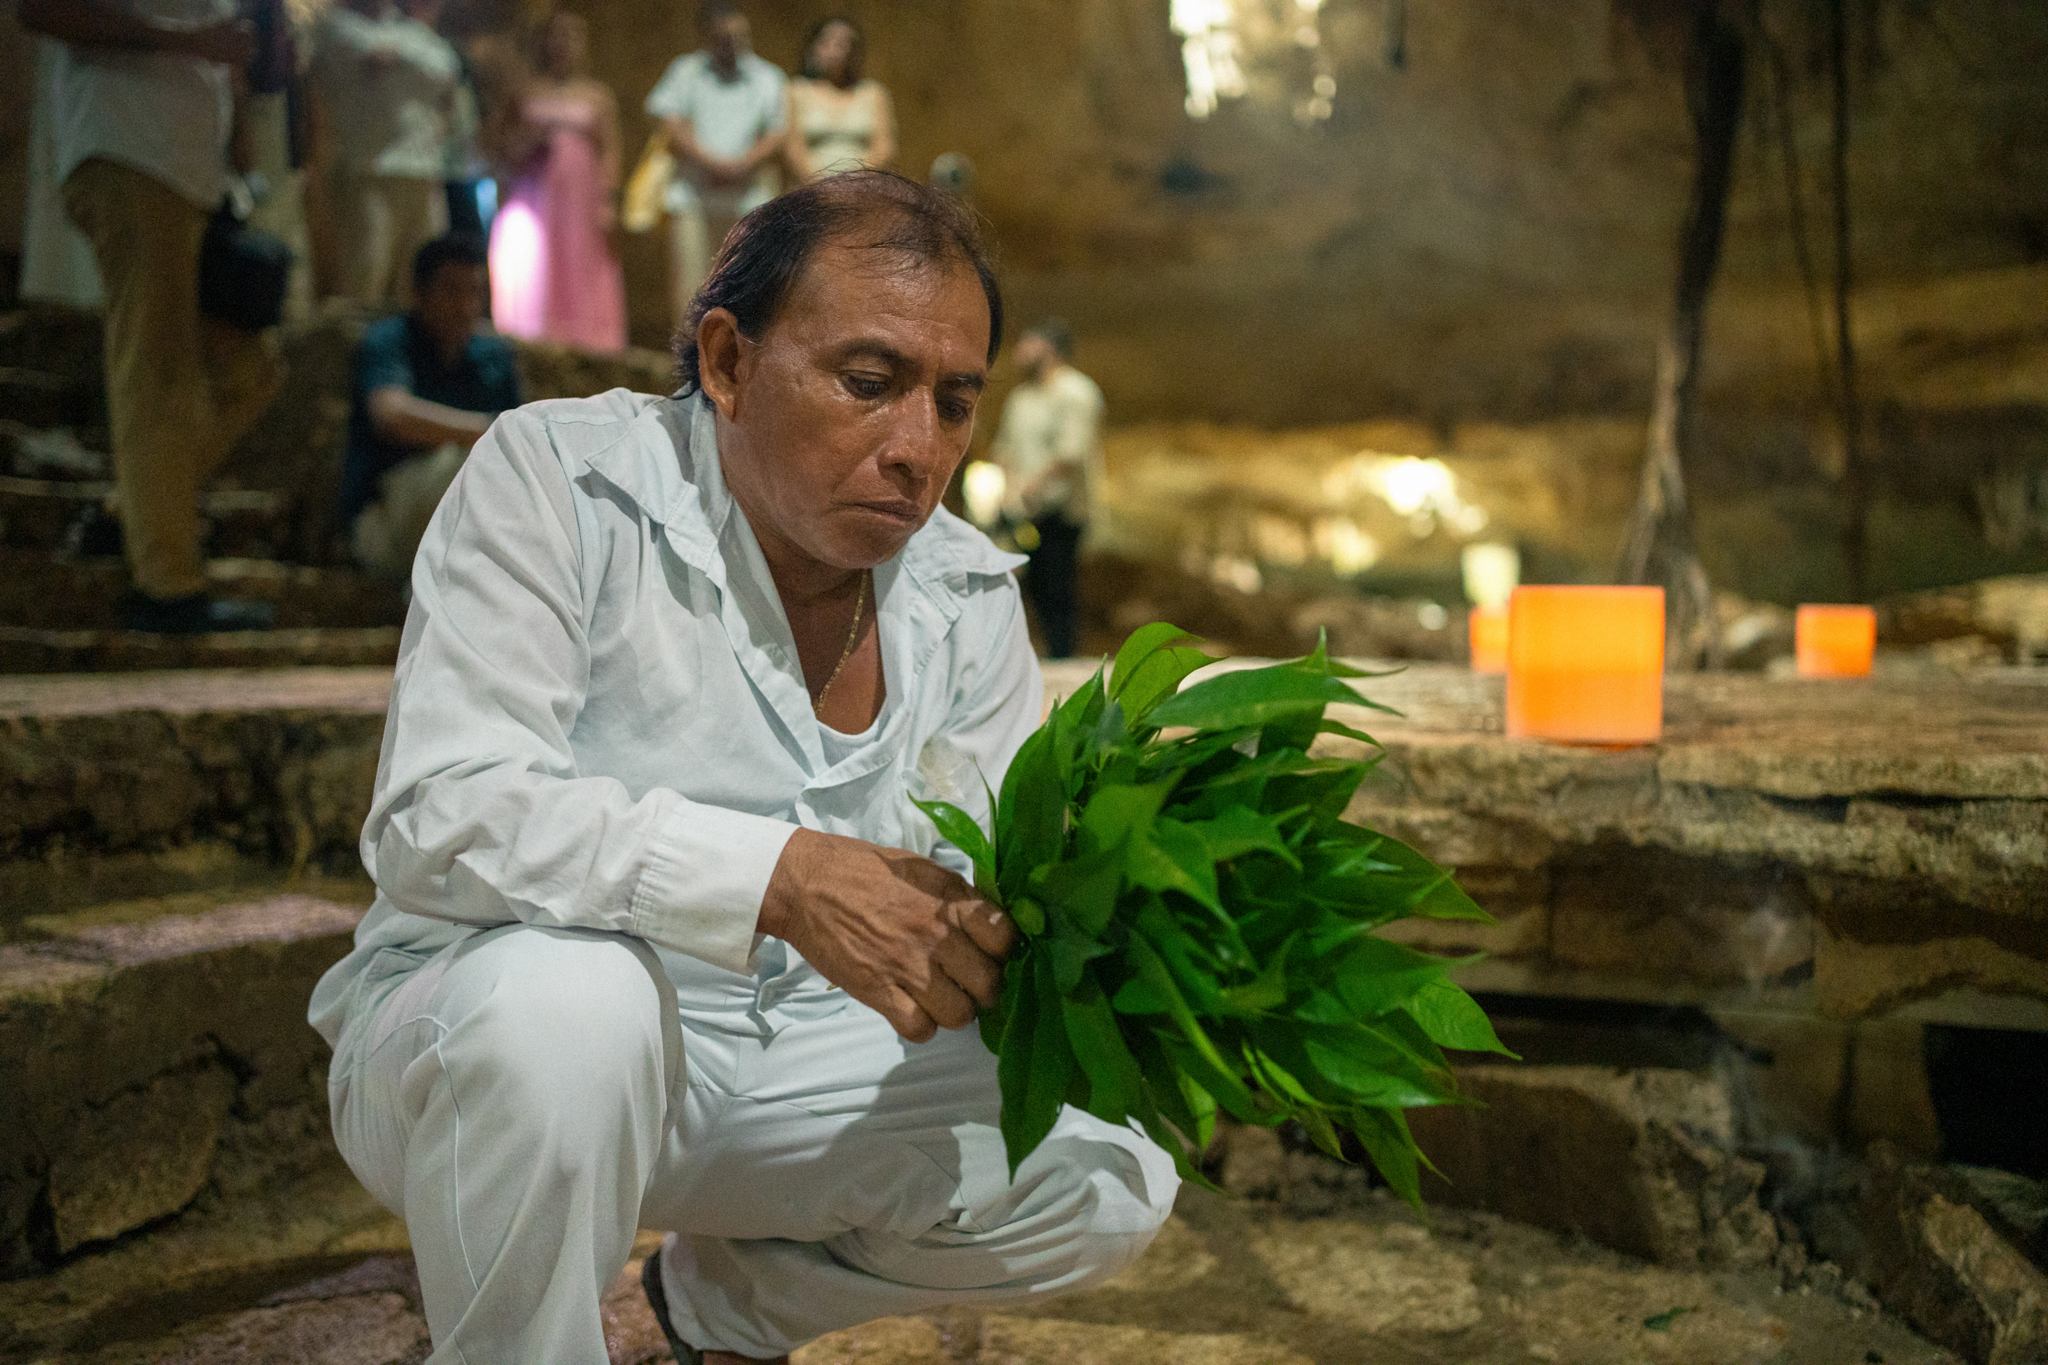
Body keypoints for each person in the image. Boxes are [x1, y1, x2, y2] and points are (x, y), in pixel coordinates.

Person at [308, 171, 1177, 1364]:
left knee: (1103, 1162)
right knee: (574, 1008)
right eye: (869, 385)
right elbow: (439, 815)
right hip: (491, 1045)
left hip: (788, 1067)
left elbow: (968, 899)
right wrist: (779, 877)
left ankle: (710, 1311)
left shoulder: (966, 597)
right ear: (726, 361)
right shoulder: (564, 482)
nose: (917, 450)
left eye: (955, 403)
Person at [23, 0, 286, 633]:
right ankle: (168, 590)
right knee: (159, 379)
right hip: (130, 153)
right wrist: (189, 38)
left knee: (255, 369)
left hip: (194, 174)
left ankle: (131, 514)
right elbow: (41, 11)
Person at [338, 233, 520, 579]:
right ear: (419, 294)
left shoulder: (492, 357)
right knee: (468, 470)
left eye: (474, 292)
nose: (465, 306)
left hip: (460, 524)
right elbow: (391, 414)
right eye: (452, 291)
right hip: (386, 520)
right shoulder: (390, 342)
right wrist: (489, 430)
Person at [485, 11, 627, 352]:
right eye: (557, 36)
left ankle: (588, 339)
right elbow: (499, 144)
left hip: (581, 197)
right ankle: (532, 334)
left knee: (580, 260)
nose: (563, 44)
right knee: (535, 262)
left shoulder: (597, 95)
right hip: (534, 195)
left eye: (571, 37)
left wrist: (608, 201)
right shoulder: (525, 91)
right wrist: (528, 141)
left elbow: (610, 150)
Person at [305, 0, 461, 307]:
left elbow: (447, 66)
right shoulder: (335, 26)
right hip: (368, 172)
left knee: (421, 287)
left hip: (424, 172)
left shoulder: (410, 31)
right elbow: (360, 51)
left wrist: (399, 56)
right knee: (363, 285)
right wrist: (414, 61)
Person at [644, 3, 786, 326]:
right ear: (707, 37)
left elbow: (778, 133)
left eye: (740, 36)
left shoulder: (768, 76)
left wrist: (741, 164)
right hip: (693, 195)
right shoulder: (685, 71)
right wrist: (710, 163)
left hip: (747, 199)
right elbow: (670, 124)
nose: (733, 43)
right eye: (724, 37)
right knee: (692, 288)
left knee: (747, 286)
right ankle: (689, 365)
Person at [989, 319, 1104, 658]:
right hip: (1022, 511)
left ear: (1049, 349)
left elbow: (1071, 453)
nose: (1020, 351)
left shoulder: (1076, 392)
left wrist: (1033, 486)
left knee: (1057, 585)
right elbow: (1004, 451)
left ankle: (1063, 656)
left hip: (1061, 512)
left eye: (1028, 343)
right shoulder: (1021, 399)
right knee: (1031, 586)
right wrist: (1008, 493)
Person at [784, 17, 895, 183]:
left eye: (844, 44)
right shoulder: (796, 90)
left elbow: (884, 146)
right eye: (827, 42)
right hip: (809, 188)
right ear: (813, 47)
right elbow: (792, 147)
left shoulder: (873, 92)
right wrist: (819, 184)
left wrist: (856, 180)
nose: (836, 51)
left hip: (862, 187)